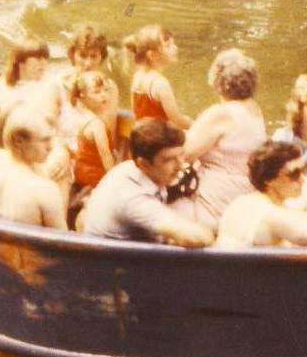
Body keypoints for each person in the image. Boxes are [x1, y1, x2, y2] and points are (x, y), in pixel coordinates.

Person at [75, 118, 214, 247]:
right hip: (112, 267)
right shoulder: (132, 197)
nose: (180, 164)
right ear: (144, 163)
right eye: (169, 159)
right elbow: (195, 238)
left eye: (181, 155)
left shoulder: (130, 169)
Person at [175, 49, 268, 231]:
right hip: (245, 190)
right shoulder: (255, 110)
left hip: (216, 196)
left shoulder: (221, 113)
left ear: (218, 81)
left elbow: (184, 154)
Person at [0, 38, 53, 149]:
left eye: (45, 58)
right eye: (38, 58)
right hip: (7, 145)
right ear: (20, 61)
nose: (43, 63)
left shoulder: (51, 84)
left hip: (41, 145)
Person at [124, 24, 189, 130]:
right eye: (168, 46)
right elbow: (176, 120)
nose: (175, 47)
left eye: (173, 43)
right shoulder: (160, 83)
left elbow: (136, 111)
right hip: (159, 140)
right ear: (152, 55)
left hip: (141, 136)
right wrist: (197, 125)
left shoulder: (137, 76)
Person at [68, 70, 120, 191]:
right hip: (93, 173)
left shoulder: (82, 115)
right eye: (96, 92)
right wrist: (114, 180)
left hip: (80, 170)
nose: (103, 95)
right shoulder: (97, 124)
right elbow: (105, 155)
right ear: (83, 96)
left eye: (105, 90)